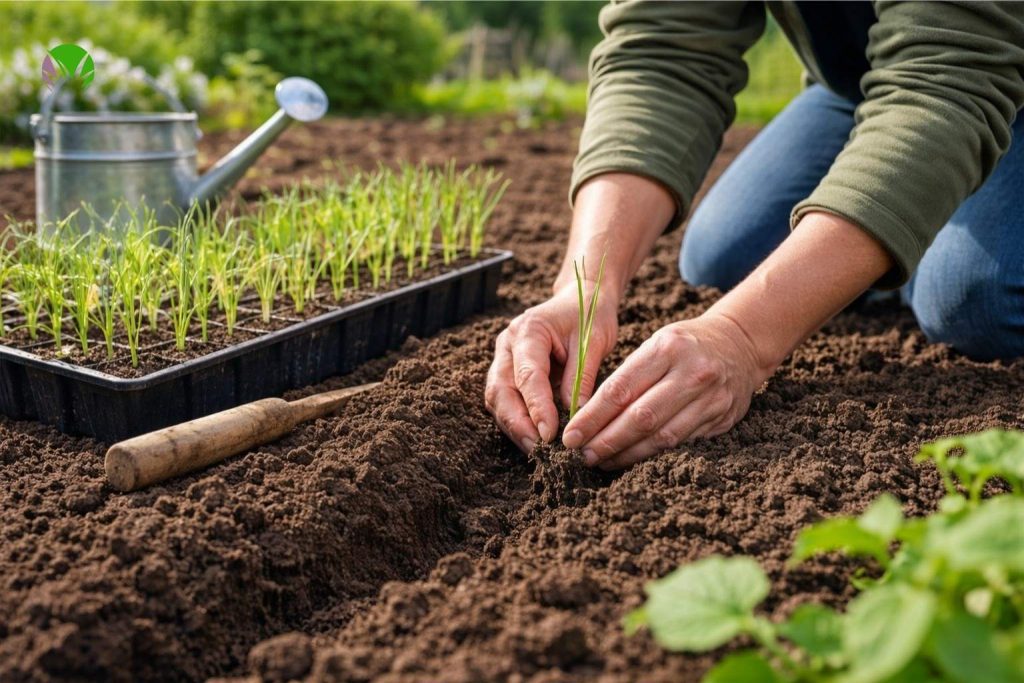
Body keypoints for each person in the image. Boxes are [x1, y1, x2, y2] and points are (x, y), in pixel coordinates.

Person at [484, 1, 1024, 470]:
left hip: (972, 66)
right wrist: (584, 287)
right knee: (726, 256)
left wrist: (741, 338)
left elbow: (948, 75)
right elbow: (661, 52)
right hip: (862, 79)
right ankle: (895, 229)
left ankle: (908, 238)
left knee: (971, 295)